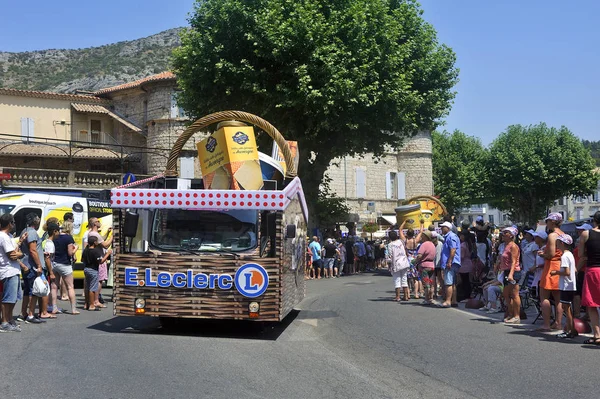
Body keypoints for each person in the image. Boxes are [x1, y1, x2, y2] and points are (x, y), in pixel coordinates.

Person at [19, 213, 53, 323]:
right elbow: (33, 250)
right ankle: (30, 315)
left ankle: (24, 313)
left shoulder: (24, 230)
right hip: (32, 266)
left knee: (27, 291)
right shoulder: (32, 232)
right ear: (35, 221)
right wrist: (39, 265)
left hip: (27, 265)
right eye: (38, 220)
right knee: (33, 291)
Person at [0, 214, 28, 332]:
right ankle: (4, 322)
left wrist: (20, 242)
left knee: (14, 298)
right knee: (8, 298)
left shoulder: (9, 236)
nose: (14, 225)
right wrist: (21, 254)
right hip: (8, 271)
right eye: (13, 222)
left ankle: (9, 319)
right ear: (9, 223)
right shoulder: (3, 236)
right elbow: (12, 255)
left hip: (14, 270)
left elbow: (14, 251)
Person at [538, 213, 564, 332]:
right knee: (558, 298)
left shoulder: (552, 235)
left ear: (553, 222)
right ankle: (558, 323)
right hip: (560, 266)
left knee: (544, 296)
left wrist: (543, 254)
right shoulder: (563, 234)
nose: (546, 223)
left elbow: (551, 254)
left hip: (551, 266)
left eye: (548, 221)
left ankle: (546, 324)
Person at [577, 211, 600, 345]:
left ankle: (597, 335)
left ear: (594, 221)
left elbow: (581, 254)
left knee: (592, 305)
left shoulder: (587, 234)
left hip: (593, 270)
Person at [551, 234, 577, 339]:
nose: (556, 244)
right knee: (568, 308)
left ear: (562, 243)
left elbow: (566, 272)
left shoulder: (564, 256)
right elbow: (573, 270)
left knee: (566, 308)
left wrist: (555, 272)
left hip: (566, 285)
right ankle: (572, 329)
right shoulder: (570, 254)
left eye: (557, 242)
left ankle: (570, 330)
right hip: (570, 284)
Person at [51, 221, 79, 315]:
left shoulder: (55, 237)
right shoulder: (68, 238)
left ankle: (54, 308)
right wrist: (76, 248)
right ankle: (73, 309)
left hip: (55, 263)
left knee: (54, 287)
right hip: (65, 264)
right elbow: (70, 253)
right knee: (70, 287)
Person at [498, 226, 521, 324]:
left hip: (513, 271)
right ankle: (511, 313)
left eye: (506, 233)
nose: (503, 234)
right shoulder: (505, 245)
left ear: (511, 235)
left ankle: (517, 316)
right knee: (506, 294)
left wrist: (511, 274)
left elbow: (513, 262)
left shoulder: (513, 246)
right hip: (506, 271)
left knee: (514, 294)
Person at [87, 217, 113, 306]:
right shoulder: (95, 234)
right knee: (100, 281)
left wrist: (108, 234)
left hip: (95, 259)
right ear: (94, 224)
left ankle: (93, 300)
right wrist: (113, 235)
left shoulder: (92, 233)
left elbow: (100, 240)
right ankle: (96, 300)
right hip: (100, 258)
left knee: (96, 281)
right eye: (98, 221)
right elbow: (105, 245)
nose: (99, 222)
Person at [82, 236, 111, 311]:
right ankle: (92, 305)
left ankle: (86, 304)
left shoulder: (86, 250)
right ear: (94, 242)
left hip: (86, 269)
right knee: (93, 288)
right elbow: (101, 261)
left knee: (87, 287)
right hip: (93, 270)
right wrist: (107, 254)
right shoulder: (95, 251)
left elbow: (82, 259)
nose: (98, 243)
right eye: (97, 241)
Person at [439, 221, 461, 308]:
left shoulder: (451, 236)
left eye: (443, 227)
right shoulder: (449, 236)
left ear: (447, 228)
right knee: (452, 283)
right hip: (452, 262)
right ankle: (454, 300)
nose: (441, 228)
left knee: (448, 282)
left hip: (451, 263)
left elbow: (453, 249)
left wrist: (449, 261)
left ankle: (448, 301)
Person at [413, 230, 436, 305]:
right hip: (432, 265)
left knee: (426, 284)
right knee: (431, 283)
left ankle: (426, 299)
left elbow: (420, 255)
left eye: (422, 236)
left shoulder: (424, 244)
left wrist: (415, 261)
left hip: (424, 266)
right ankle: (431, 298)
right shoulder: (432, 244)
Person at [386, 231, 410, 301]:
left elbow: (390, 256)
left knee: (397, 280)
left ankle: (398, 296)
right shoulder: (401, 242)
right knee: (404, 279)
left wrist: (389, 264)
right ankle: (405, 296)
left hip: (396, 263)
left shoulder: (390, 245)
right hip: (404, 261)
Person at [458, 231, 474, 302]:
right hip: (468, 263)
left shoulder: (463, 245)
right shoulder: (468, 244)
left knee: (464, 281)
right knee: (467, 281)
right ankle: (468, 295)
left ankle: (466, 296)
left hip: (464, 265)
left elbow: (461, 256)